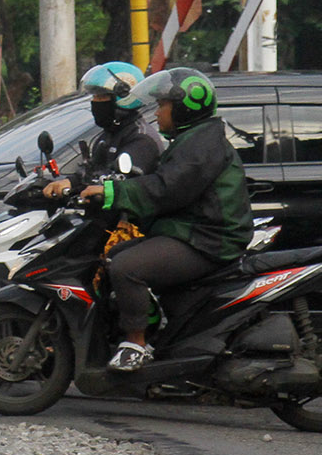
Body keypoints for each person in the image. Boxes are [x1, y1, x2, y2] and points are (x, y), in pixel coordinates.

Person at [78, 67, 253, 371]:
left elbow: (165, 189)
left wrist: (113, 193)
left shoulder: (201, 147)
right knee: (115, 255)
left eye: (162, 106)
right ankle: (158, 326)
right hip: (190, 230)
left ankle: (137, 344)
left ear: (185, 108)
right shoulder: (193, 140)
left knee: (127, 267)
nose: (157, 114)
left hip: (209, 238)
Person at [43, 61, 163, 201]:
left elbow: (119, 184)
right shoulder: (109, 135)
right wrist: (68, 182)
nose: (95, 102)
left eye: (101, 97)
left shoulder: (141, 139)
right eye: (94, 97)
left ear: (125, 97)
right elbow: (92, 172)